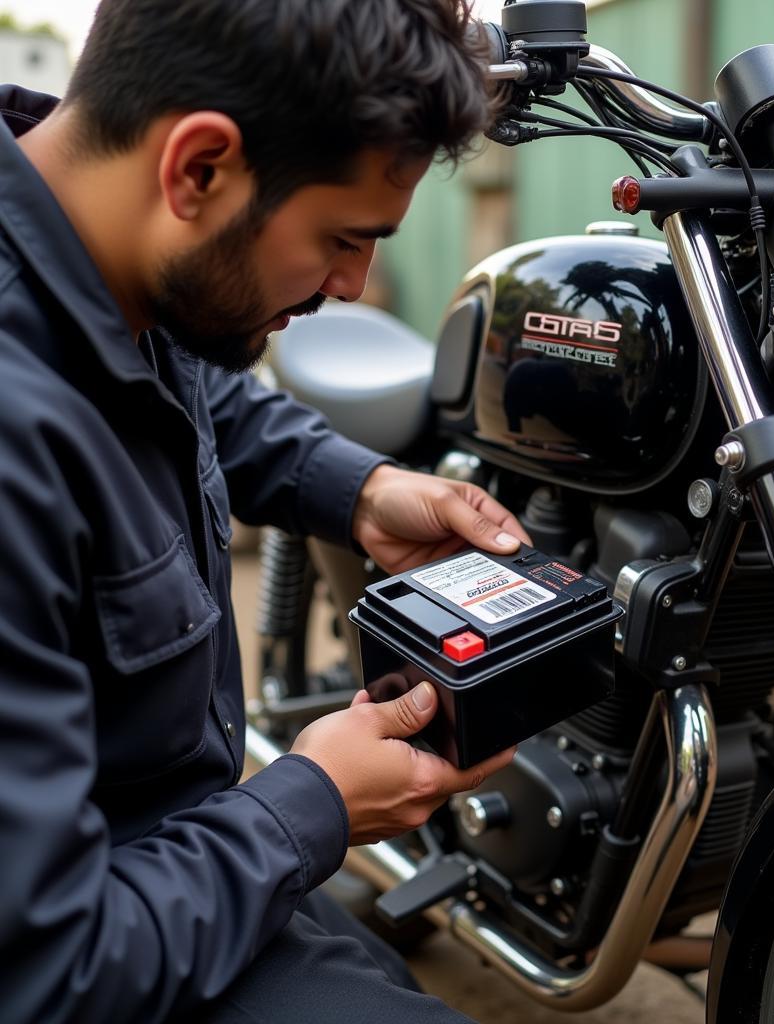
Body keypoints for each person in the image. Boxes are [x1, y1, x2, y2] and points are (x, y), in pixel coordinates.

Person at [0, 1, 527, 1021]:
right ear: (199, 166)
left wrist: (363, 488)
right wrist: (312, 804)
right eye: (341, 237)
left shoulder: (108, 253)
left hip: (187, 863)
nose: (352, 283)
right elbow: (43, 970)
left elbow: (189, 395)